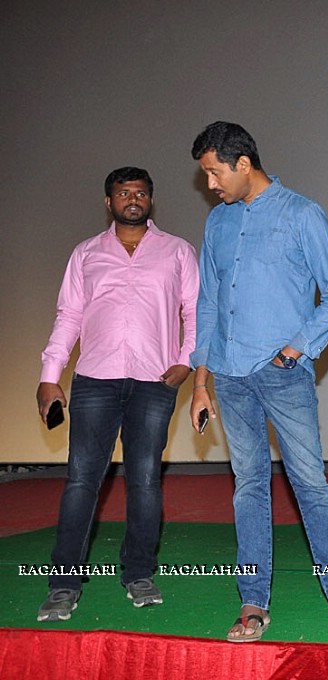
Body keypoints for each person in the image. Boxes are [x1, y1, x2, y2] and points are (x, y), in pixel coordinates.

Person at [188, 121, 328, 642]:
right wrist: (201, 381)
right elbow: (208, 303)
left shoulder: (302, 213)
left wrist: (294, 350)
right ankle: (253, 603)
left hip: (281, 375)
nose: (211, 184)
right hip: (228, 376)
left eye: (214, 173)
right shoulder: (217, 224)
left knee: (310, 485)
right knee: (248, 488)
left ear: (243, 164)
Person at [35, 167, 198, 621]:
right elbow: (69, 315)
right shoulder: (86, 254)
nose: (133, 199)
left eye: (141, 193)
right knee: (82, 481)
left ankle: (139, 574)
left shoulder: (177, 252)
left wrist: (187, 358)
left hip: (154, 381)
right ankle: (64, 584)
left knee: (144, 480)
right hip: (94, 380)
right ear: (109, 202)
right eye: (124, 193)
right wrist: (51, 374)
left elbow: (194, 309)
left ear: (152, 201)